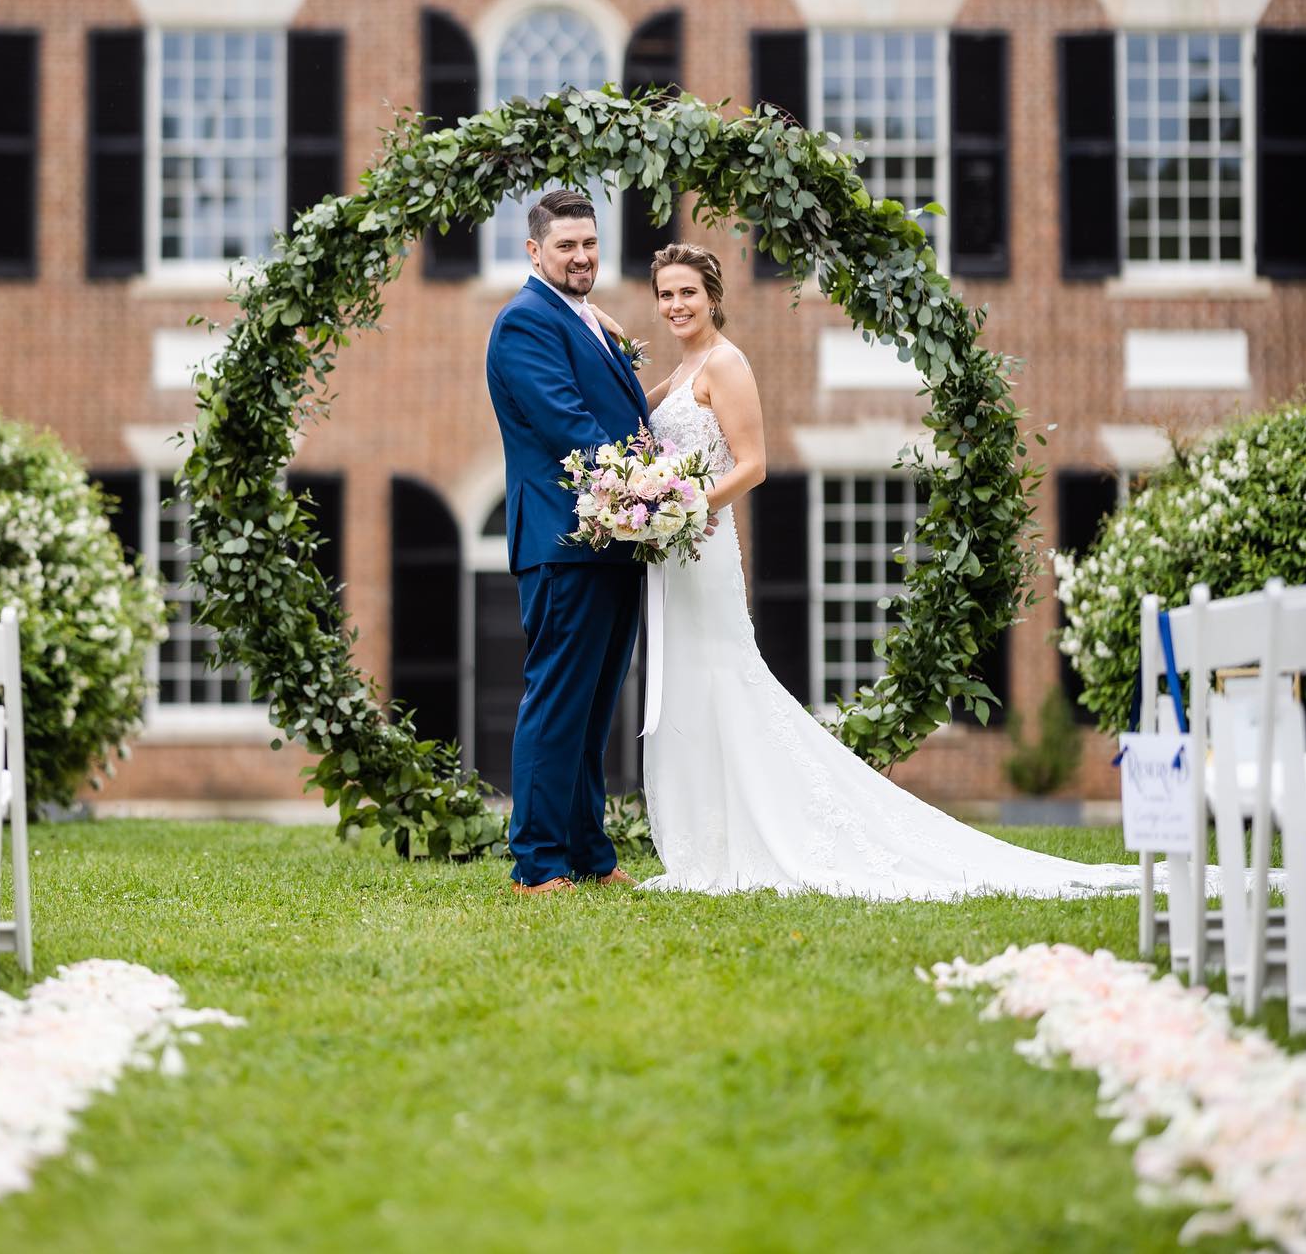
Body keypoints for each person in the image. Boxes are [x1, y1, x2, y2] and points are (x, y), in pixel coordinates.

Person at [591, 242, 1150, 900]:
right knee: (688, 681)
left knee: (724, 676)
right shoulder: (683, 369)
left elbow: (753, 463)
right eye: (665, 295)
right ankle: (707, 842)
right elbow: (633, 408)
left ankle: (757, 832)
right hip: (677, 549)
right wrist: (597, 326)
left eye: (687, 291)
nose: (676, 304)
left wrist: (685, 506)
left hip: (704, 541)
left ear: (713, 295)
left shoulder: (727, 363)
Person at [484, 189, 651, 895]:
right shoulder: (524, 323)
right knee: (557, 700)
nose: (581, 256)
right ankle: (537, 862)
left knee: (593, 707)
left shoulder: (579, 316)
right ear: (534, 251)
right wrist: (657, 485)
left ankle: (588, 850)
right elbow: (570, 427)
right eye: (566, 246)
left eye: (589, 244)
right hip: (564, 540)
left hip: (614, 538)